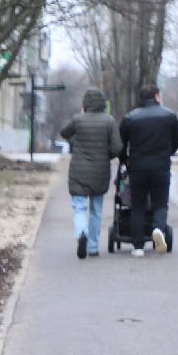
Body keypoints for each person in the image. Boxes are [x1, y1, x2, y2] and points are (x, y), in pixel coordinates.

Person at [118, 83, 178, 257]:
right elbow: (177, 140)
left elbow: (121, 144)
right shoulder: (169, 116)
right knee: (160, 203)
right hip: (161, 166)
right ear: (156, 96)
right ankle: (158, 229)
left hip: (138, 166)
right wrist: (166, 152)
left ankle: (138, 246)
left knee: (137, 205)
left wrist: (125, 160)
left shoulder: (130, 118)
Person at [59, 88, 122, 259]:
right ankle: (93, 247)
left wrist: (76, 139)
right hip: (100, 171)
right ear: (102, 103)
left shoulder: (78, 120)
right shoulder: (109, 121)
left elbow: (64, 132)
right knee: (96, 210)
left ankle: (81, 233)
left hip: (78, 171)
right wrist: (106, 155)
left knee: (79, 207)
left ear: (85, 103)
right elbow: (117, 147)